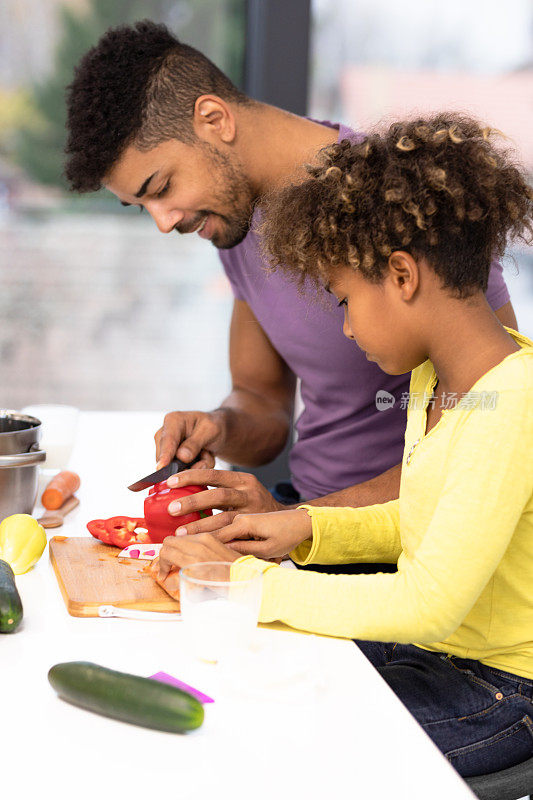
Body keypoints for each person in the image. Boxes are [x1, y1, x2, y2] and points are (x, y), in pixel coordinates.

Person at [153, 114, 533, 777]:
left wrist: (242, 583)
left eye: (344, 301)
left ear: (401, 275)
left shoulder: (512, 404)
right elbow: (420, 515)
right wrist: (301, 528)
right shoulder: (438, 379)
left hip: (495, 691)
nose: (348, 329)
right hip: (435, 656)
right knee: (231, 683)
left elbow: (426, 601)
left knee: (271, 747)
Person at [64, 22, 518, 539]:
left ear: (214, 119)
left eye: (162, 187)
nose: (164, 221)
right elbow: (263, 403)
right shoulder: (229, 222)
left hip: (399, 541)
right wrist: (221, 424)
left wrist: (305, 524)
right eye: (140, 206)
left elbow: (485, 422)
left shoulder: (396, 197)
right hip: (303, 521)